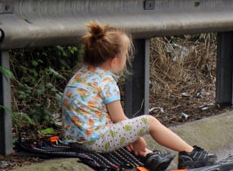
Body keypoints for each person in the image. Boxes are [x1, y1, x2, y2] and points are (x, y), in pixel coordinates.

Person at [62, 22, 217, 170]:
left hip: (75, 140)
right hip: (94, 141)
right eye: (125, 55)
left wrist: (129, 136)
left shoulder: (79, 76)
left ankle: (149, 156)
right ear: (115, 61)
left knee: (118, 133)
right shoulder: (106, 81)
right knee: (149, 122)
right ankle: (190, 154)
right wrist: (137, 137)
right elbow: (119, 118)